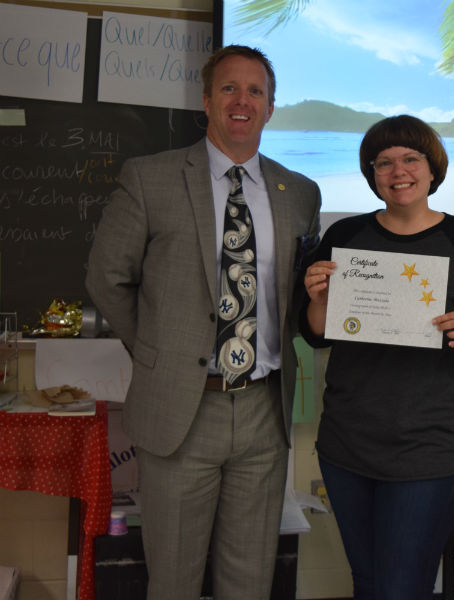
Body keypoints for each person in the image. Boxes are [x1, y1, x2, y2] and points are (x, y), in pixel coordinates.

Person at [86, 45, 321, 600]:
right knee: (173, 581)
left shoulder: (300, 194)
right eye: (229, 89)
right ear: (206, 100)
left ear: (270, 107)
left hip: (265, 411)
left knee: (249, 580)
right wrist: (156, 352)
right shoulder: (150, 179)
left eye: (256, 91)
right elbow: (106, 280)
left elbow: (295, 297)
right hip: (180, 413)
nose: (243, 101)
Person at [300, 115, 454, 599]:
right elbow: (314, 334)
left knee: (402, 588)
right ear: (372, 174)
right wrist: (317, 303)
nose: (399, 171)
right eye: (384, 162)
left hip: (429, 447)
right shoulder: (346, 237)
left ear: (432, 168)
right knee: (369, 582)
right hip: (348, 444)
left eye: (411, 158)